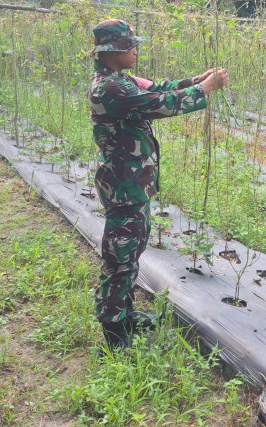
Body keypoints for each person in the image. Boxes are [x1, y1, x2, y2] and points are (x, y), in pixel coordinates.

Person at [88, 18, 228, 349]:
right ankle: (113, 330)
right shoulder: (109, 88)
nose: (136, 50)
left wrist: (197, 79)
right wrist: (205, 89)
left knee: (131, 250)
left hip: (131, 181)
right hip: (123, 183)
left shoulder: (119, 80)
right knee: (120, 255)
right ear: (116, 50)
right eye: (131, 45)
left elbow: (158, 87)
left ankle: (125, 314)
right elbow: (159, 104)